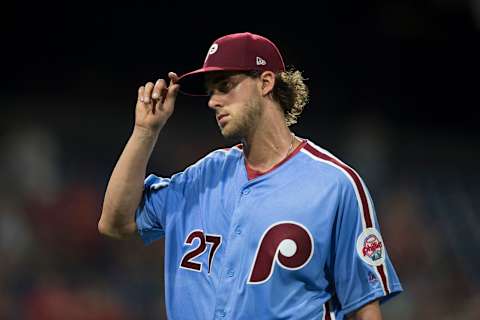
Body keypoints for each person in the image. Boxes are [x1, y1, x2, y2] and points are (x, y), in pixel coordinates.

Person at [98, 32, 402, 319]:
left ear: (265, 82)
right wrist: (144, 131)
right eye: (210, 91)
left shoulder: (335, 185)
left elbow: (363, 307)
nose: (212, 101)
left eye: (225, 85)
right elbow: (115, 222)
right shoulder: (204, 177)